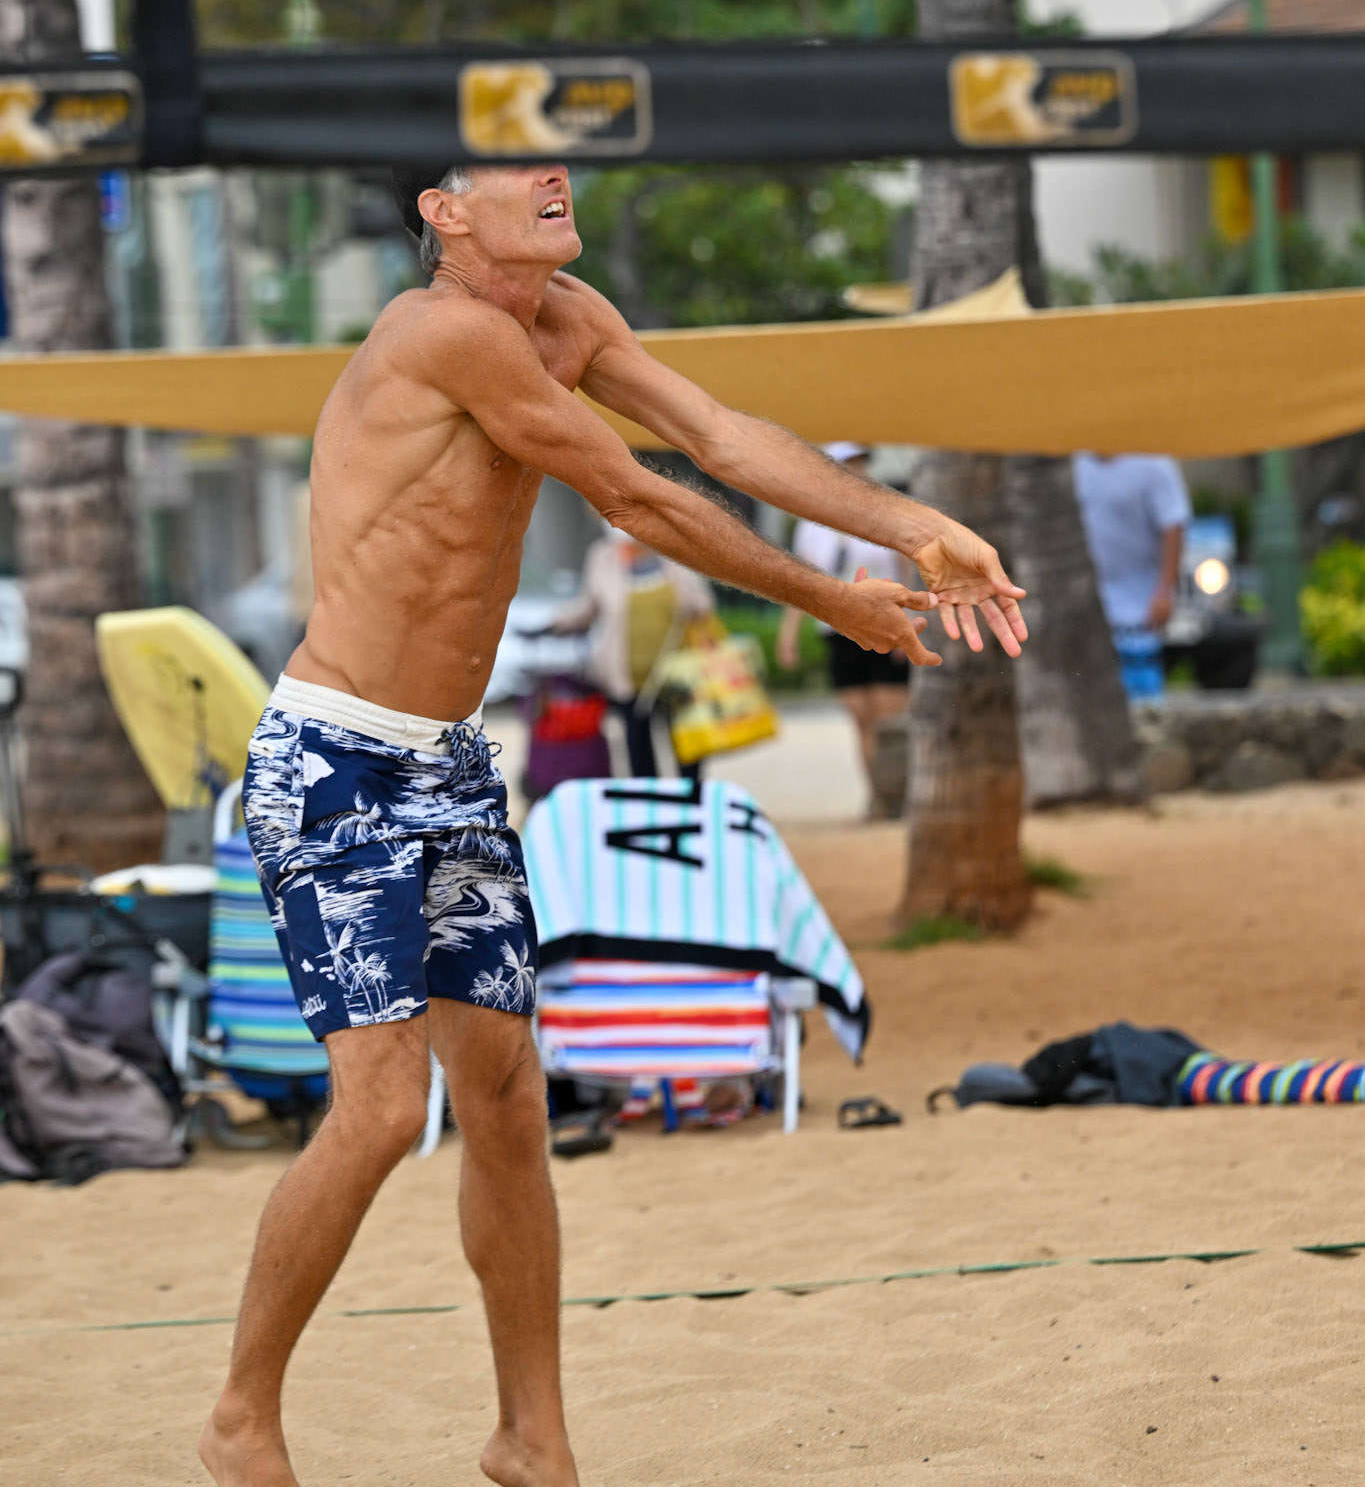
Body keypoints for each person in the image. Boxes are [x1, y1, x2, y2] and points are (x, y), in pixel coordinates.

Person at [200, 160, 1029, 1487]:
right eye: (509, 163)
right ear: (440, 210)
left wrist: (913, 528)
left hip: (450, 770)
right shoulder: (443, 335)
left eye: (557, 153)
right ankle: (244, 1411)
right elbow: (635, 499)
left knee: (511, 1097)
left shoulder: (568, 316)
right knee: (377, 1108)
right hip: (334, 763)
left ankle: (533, 1439)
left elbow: (718, 436)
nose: (552, 172)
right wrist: (834, 602)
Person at [775, 442, 911, 812]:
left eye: (859, 461)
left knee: (890, 719)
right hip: (837, 631)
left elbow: (902, 572)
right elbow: (801, 583)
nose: (856, 469)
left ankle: (900, 797)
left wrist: (906, 629)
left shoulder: (884, 512)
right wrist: (788, 636)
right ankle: (879, 798)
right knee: (862, 720)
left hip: (884, 625)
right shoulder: (809, 526)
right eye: (847, 462)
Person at [549, 523, 714, 781]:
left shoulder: (671, 552)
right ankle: (649, 809)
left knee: (688, 747)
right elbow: (589, 605)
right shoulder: (603, 557)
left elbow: (701, 604)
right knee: (637, 746)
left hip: (678, 674)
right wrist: (557, 621)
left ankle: (691, 805)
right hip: (627, 677)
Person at [1073, 450, 1191, 694]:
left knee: (1141, 697)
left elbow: (1173, 526)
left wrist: (1165, 591)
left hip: (1139, 608)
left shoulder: (1153, 464)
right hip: (1089, 605)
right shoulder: (1075, 465)